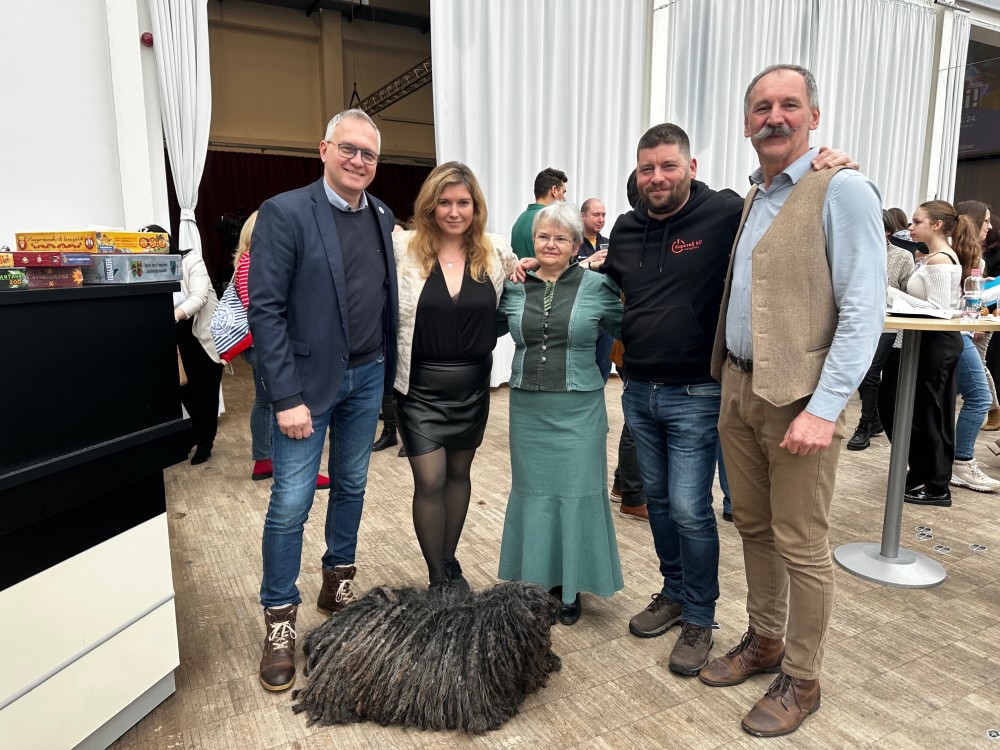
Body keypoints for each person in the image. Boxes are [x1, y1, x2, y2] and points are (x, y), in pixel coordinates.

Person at [595, 124, 853, 678]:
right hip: (638, 389)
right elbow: (608, 279)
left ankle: (699, 617)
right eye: (647, 169)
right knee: (656, 501)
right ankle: (673, 591)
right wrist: (544, 267)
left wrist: (825, 168)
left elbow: (787, 209)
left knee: (691, 509)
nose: (657, 177)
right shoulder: (626, 228)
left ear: (691, 167)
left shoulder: (726, 211)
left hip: (698, 390)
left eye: (668, 166)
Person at [703, 64, 885, 738]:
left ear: (813, 116)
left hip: (800, 401)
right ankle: (766, 639)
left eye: (788, 105)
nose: (773, 117)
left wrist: (824, 407)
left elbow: (864, 310)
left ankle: (803, 679)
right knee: (753, 528)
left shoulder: (843, 190)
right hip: (739, 387)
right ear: (746, 122)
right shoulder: (756, 194)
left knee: (802, 544)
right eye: (761, 107)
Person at [248, 108, 397, 692]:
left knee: (353, 485)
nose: (359, 160)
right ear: (324, 149)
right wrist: (285, 396)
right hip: (304, 390)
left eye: (369, 153)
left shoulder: (381, 215)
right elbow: (266, 310)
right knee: (290, 503)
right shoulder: (285, 212)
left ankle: (338, 585)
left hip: (366, 377)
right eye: (349, 149)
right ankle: (279, 619)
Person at [393, 162, 521, 591]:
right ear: (430, 206)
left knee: (459, 475)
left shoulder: (494, 250)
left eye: (463, 202)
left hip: (471, 385)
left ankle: (449, 561)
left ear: (475, 207)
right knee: (429, 479)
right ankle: (436, 578)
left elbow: (518, 287)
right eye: (444, 202)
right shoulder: (404, 249)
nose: (453, 211)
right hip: (419, 386)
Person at [497, 202, 624, 626]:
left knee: (575, 494)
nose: (551, 244)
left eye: (561, 238)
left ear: (575, 245)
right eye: (543, 237)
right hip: (528, 410)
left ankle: (571, 588)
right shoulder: (515, 287)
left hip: (579, 409)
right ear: (532, 241)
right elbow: (480, 325)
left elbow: (632, 329)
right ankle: (536, 585)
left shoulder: (598, 286)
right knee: (534, 493)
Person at [886, 200, 999, 499]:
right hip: (932, 342)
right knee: (925, 412)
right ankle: (924, 475)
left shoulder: (940, 260)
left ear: (936, 225)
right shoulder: (935, 257)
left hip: (938, 342)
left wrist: (892, 294)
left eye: (917, 221)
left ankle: (936, 486)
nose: (910, 227)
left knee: (933, 415)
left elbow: (938, 310)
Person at [234, 211, 331, 488]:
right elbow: (261, 309)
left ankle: (265, 459)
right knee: (283, 403)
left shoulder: (245, 261)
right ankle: (289, 466)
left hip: (262, 345)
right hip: (269, 345)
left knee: (265, 402)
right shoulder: (254, 261)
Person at [846, 210, 916, 451]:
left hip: (889, 322)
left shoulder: (902, 256)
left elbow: (909, 292)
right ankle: (874, 418)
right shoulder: (857, 252)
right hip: (858, 320)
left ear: (887, 231)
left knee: (871, 371)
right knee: (859, 371)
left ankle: (864, 426)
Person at [165, 223, 224, 465]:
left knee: (205, 391)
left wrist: (172, 316)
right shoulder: (147, 270)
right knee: (184, 389)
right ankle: (195, 433)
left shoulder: (191, 261)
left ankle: (205, 443)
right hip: (177, 334)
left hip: (203, 334)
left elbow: (199, 297)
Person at [956, 201, 999, 431]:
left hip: (974, 323)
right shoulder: (948, 252)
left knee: (979, 377)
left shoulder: (979, 258)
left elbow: (973, 295)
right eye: (986, 221)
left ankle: (995, 411)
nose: (990, 226)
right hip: (956, 330)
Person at [372, 221, 410, 456]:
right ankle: (389, 432)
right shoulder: (378, 264)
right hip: (384, 329)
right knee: (387, 384)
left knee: (407, 388)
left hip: (408, 332)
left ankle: (411, 437)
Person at [577, 198, 613, 383]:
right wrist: (590, 261)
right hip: (582, 314)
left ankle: (598, 397)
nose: (601, 219)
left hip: (605, 315)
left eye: (603, 215)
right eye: (596, 215)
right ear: (582, 216)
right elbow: (565, 273)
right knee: (581, 366)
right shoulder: (573, 244)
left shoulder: (609, 244)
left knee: (603, 365)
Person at [510, 168, 568, 259]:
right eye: (563, 192)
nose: (564, 198)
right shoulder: (550, 219)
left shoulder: (520, 219)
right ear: (554, 191)